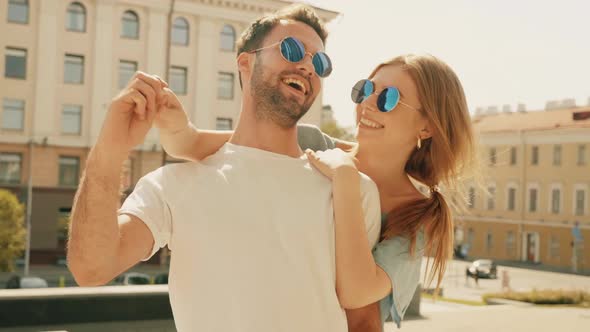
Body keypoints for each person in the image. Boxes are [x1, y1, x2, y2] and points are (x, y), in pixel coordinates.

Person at [66, 5, 381, 332]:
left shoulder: (351, 189)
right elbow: (91, 268)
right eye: (292, 50)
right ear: (246, 62)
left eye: (320, 62)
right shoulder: (173, 185)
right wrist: (110, 150)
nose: (307, 66)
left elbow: (363, 321)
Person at [159, 54, 478, 330]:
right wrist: (170, 120)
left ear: (427, 126)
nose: (367, 103)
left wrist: (345, 180)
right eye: (365, 90)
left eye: (388, 98)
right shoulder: (308, 141)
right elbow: (189, 144)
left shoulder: (419, 213)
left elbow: (357, 294)